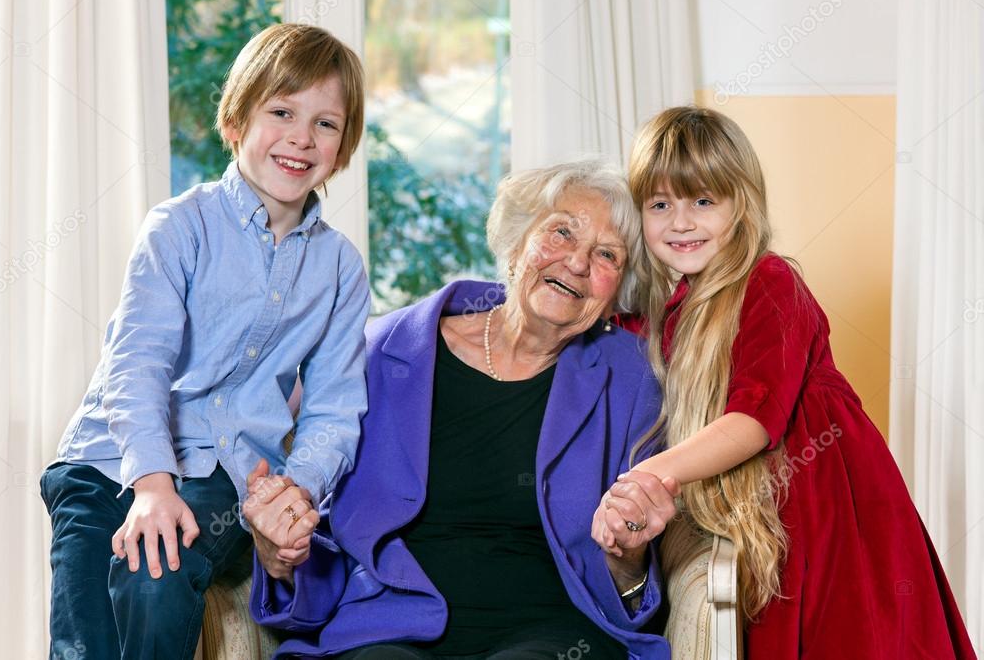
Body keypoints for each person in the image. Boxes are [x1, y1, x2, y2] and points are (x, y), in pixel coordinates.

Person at [243, 160, 679, 659]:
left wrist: (628, 558)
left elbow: (630, 577)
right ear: (517, 242)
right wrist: (278, 554)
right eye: (561, 232)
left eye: (607, 255)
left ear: (616, 293)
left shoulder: (632, 379)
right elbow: (328, 538)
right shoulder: (385, 353)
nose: (577, 263)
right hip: (391, 628)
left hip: (554, 630)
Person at [594, 106, 976, 658]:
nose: (680, 221)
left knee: (849, 633)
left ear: (741, 204)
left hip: (830, 505)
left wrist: (649, 476)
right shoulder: (675, 309)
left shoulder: (770, 282)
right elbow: (622, 335)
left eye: (703, 200)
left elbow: (752, 422)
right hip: (766, 509)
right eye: (660, 204)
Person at [39, 23, 370, 659]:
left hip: (225, 475)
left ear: (344, 143)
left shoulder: (338, 268)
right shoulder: (179, 227)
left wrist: (292, 493)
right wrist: (152, 486)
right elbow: (137, 366)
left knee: (153, 573)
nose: (301, 137)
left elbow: (335, 409)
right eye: (282, 111)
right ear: (238, 118)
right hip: (106, 457)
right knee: (87, 629)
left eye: (325, 123)